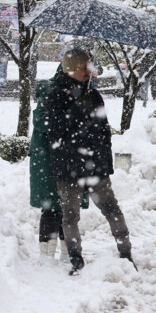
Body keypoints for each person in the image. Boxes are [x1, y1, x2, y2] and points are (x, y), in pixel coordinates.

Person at [42, 48, 135, 275]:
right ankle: (76, 259)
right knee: (70, 215)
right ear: (72, 68)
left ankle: (126, 253)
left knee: (111, 208)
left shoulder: (93, 94)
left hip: (95, 166)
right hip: (69, 167)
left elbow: (103, 132)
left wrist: (104, 161)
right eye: (84, 66)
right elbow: (54, 134)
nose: (89, 70)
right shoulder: (55, 96)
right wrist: (77, 115)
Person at [30, 64, 89, 262]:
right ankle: (47, 256)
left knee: (68, 208)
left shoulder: (82, 94)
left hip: (69, 160)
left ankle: (66, 252)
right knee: (53, 207)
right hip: (50, 160)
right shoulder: (51, 92)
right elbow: (42, 124)